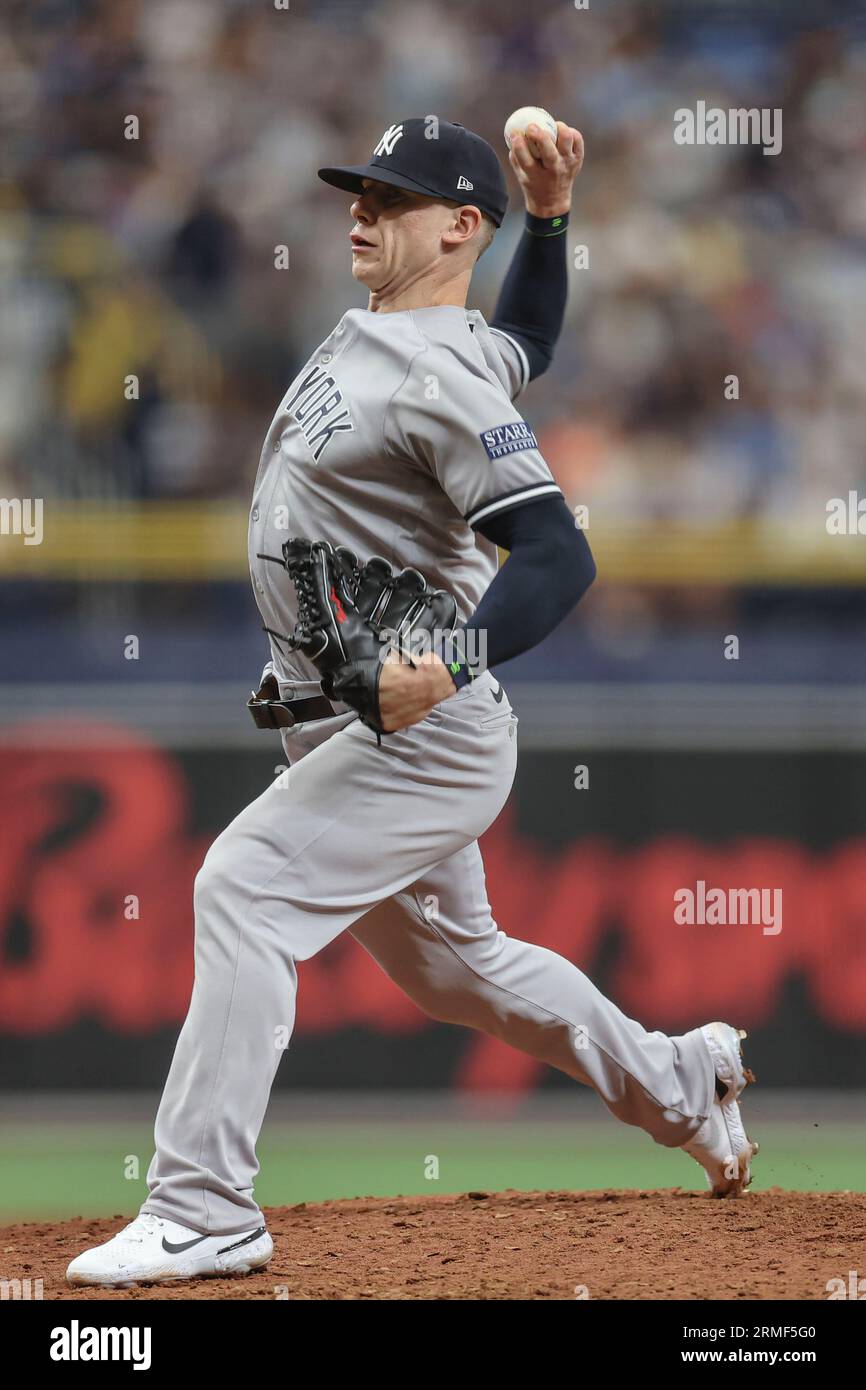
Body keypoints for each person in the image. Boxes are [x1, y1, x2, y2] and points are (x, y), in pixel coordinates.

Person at [67, 116, 756, 1287]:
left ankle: (202, 1206)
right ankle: (679, 1081)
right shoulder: (448, 346)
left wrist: (449, 659)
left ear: (454, 225)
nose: (359, 208)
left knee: (242, 886)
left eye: (389, 196)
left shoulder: (436, 369)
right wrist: (548, 222)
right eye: (358, 190)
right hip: (342, 719)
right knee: (459, 970)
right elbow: (526, 333)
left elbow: (553, 556)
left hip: (420, 735)